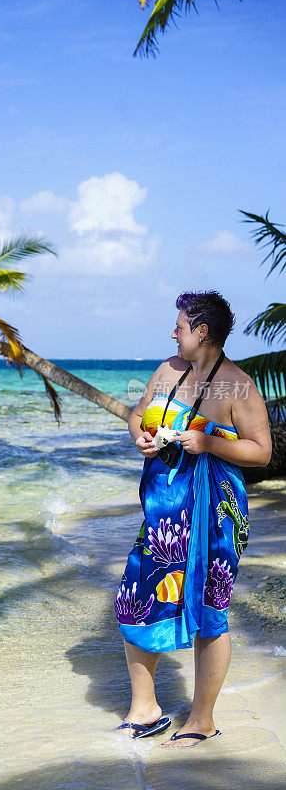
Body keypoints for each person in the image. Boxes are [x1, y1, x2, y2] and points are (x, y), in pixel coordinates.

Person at [114, 290, 272, 748]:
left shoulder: (238, 384)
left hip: (214, 512)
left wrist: (210, 444)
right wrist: (140, 436)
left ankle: (202, 719)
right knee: (136, 594)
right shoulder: (168, 369)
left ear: (202, 331)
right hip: (164, 512)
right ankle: (145, 709)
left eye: (179, 326)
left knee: (209, 607)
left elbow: (262, 452)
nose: (172, 332)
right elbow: (139, 412)